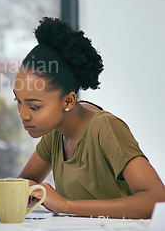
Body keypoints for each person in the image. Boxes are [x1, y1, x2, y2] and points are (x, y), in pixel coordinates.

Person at [14, 17, 165, 219]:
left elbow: (157, 200)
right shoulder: (55, 133)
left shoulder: (105, 127)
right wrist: (29, 190)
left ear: (68, 101)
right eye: (18, 101)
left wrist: (65, 205)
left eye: (34, 106)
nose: (23, 114)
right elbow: (26, 182)